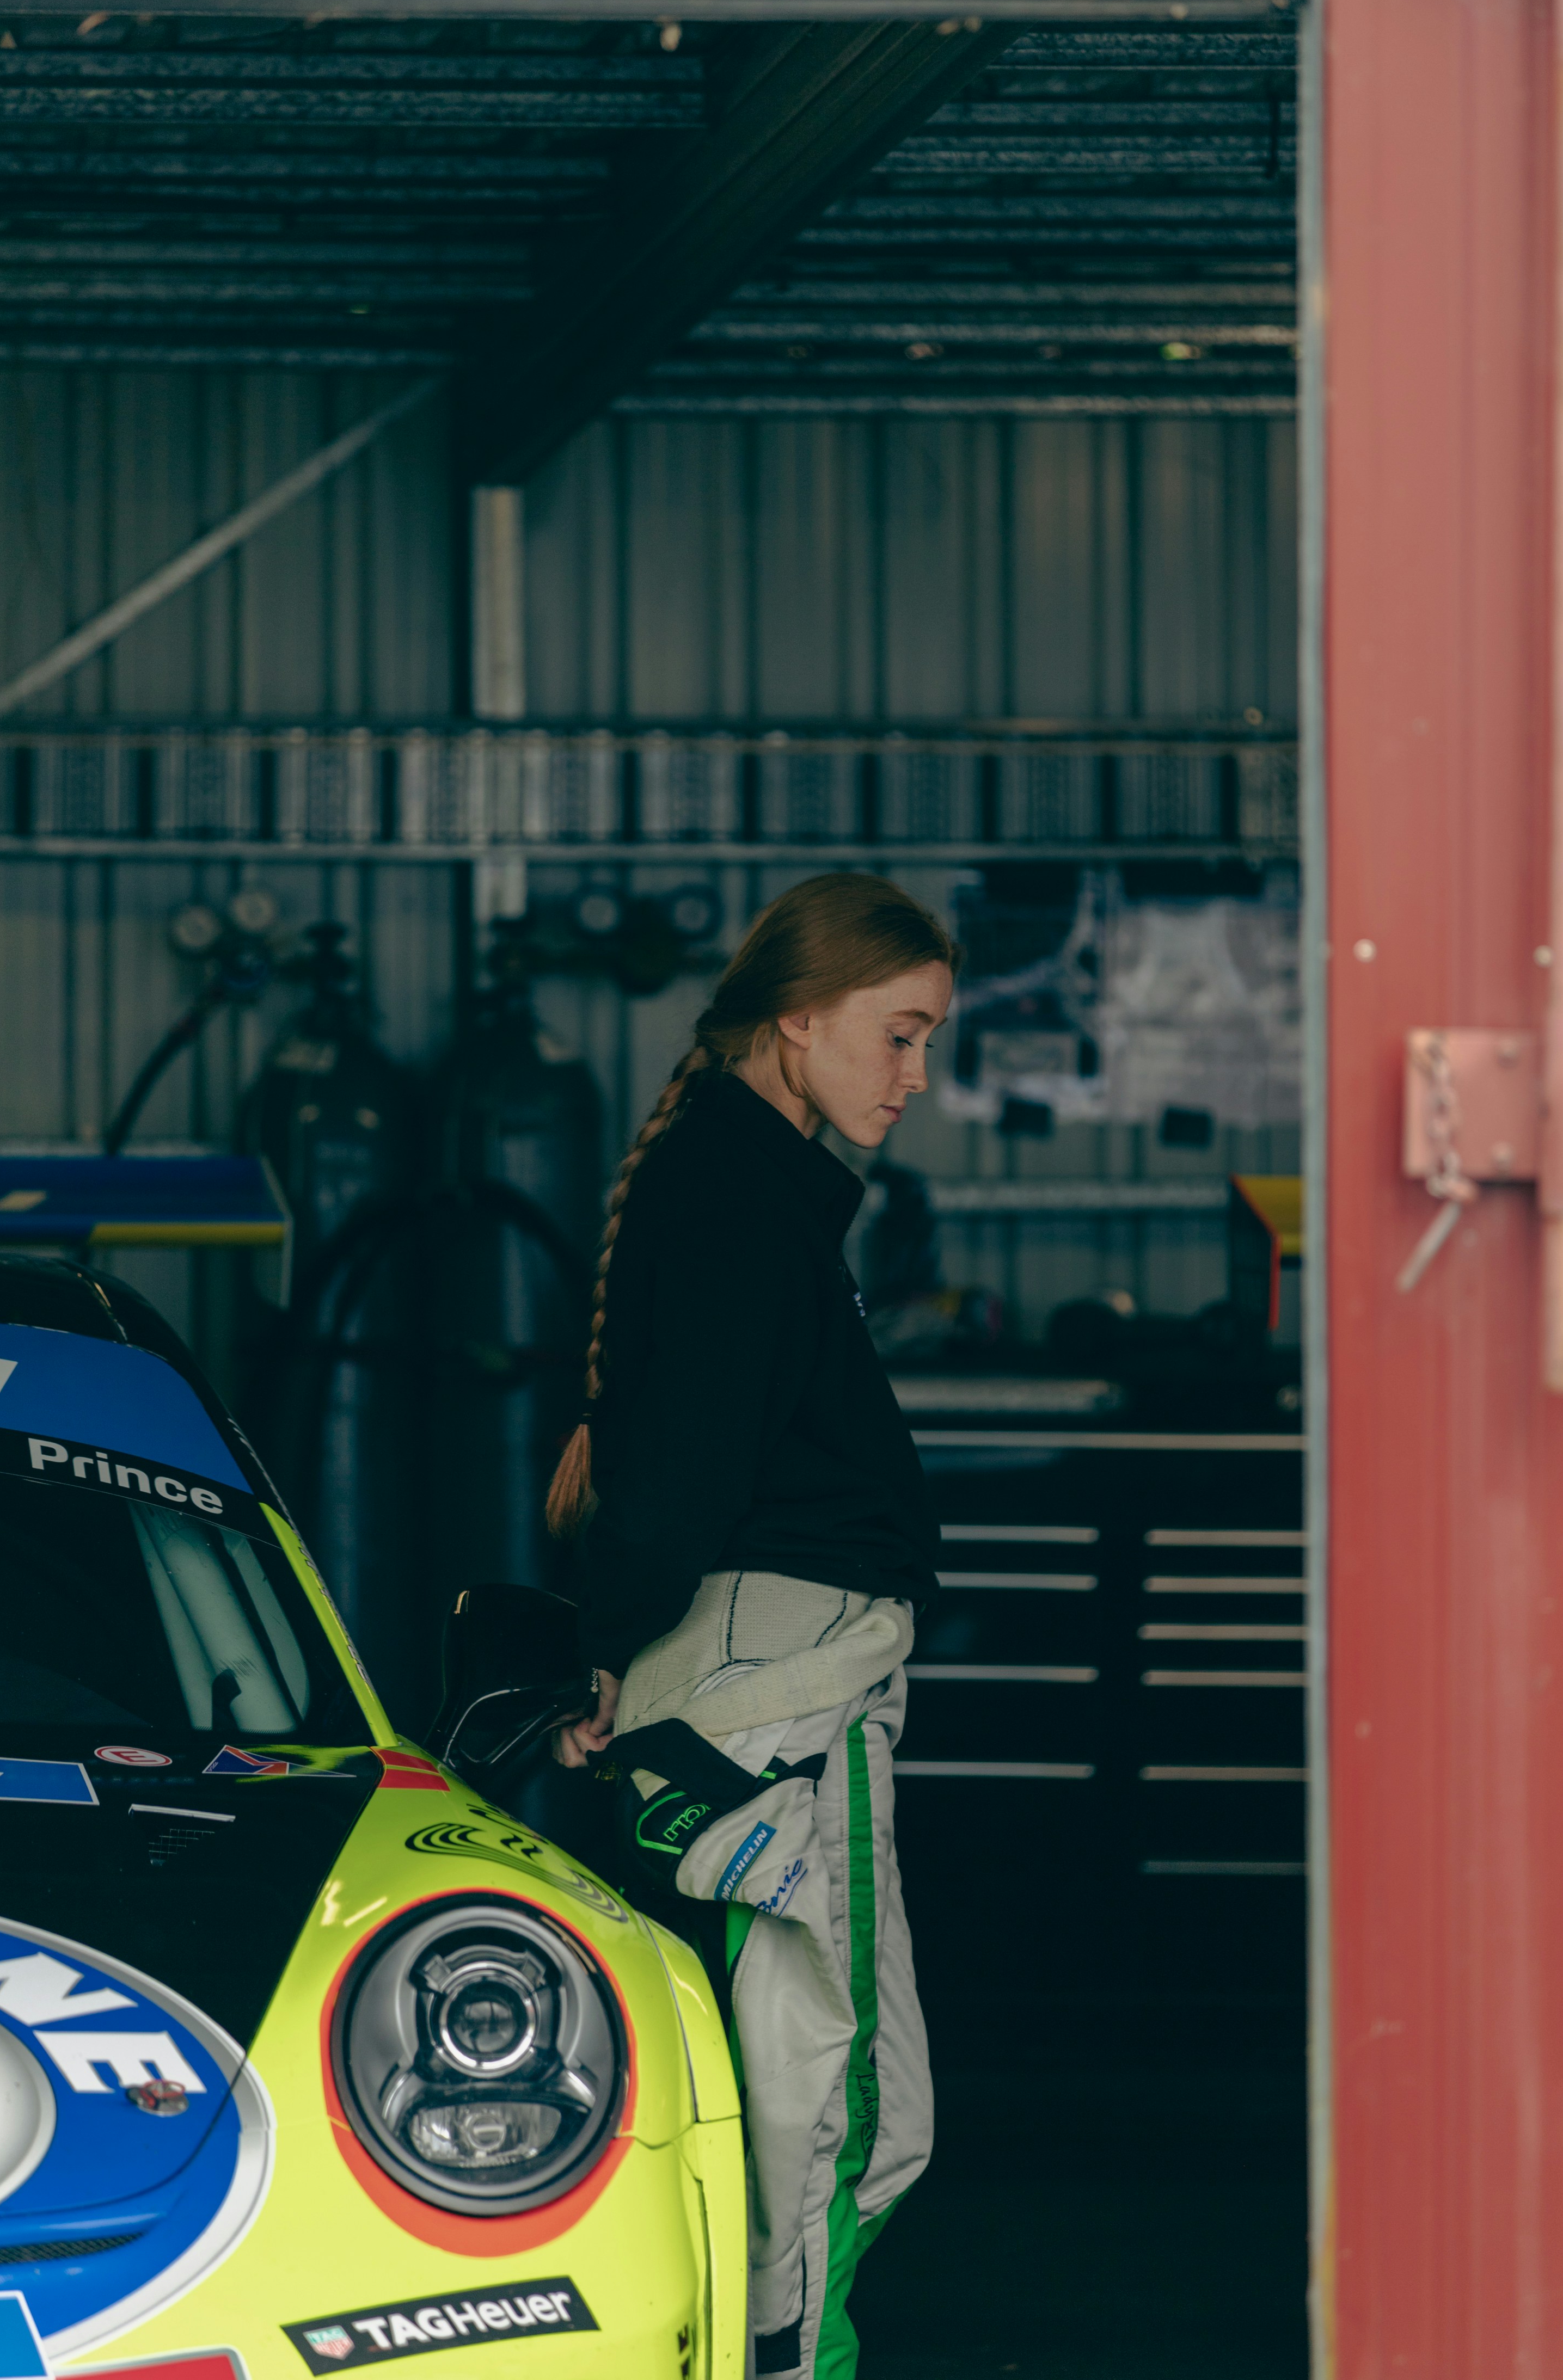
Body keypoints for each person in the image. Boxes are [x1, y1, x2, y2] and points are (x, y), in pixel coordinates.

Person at [548, 872, 957, 2380]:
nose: (916, 1076)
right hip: (784, 1679)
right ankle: (779, 2361)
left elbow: (670, 1461)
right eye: (899, 1035)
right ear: (800, 1019)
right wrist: (607, 1645)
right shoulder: (734, 1197)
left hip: (774, 1670)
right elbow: (680, 1480)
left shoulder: (745, 1183)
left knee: (863, 2101)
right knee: (829, 2095)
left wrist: (614, 1642)